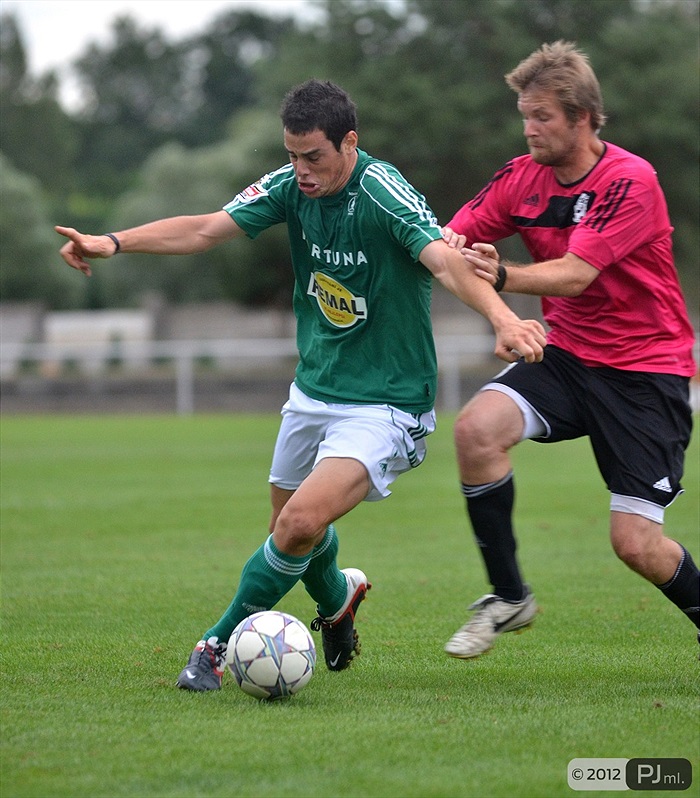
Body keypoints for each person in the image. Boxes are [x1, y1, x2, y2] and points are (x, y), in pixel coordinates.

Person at [56, 79, 547, 690]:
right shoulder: (289, 187)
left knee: (294, 526)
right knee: (290, 528)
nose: (301, 170)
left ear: (349, 142)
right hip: (314, 390)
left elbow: (447, 261)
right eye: (292, 155)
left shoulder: (382, 192)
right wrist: (112, 242)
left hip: (387, 404)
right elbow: (207, 230)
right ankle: (338, 597)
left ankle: (213, 644)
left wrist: (503, 317)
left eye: (313, 156)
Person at [441, 41, 698, 659]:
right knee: (476, 431)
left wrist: (503, 277)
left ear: (582, 118)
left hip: (646, 371)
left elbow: (577, 273)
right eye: (524, 116)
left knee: (636, 543)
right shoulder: (521, 177)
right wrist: (430, 251)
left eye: (542, 118)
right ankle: (509, 597)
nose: (529, 129)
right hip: (570, 356)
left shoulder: (629, 181)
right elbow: (449, 244)